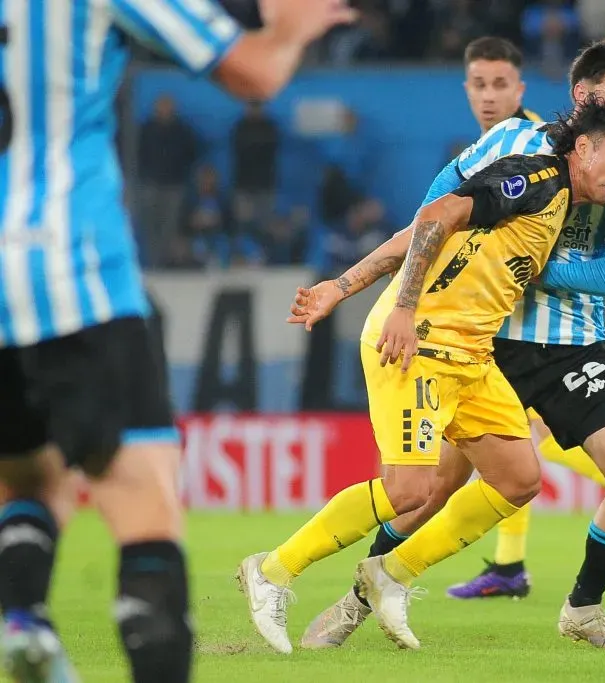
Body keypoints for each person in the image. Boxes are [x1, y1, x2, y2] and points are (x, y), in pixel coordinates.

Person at [295, 37, 605, 653]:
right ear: (583, 98)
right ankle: (359, 599)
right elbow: (433, 213)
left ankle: (584, 609)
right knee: (430, 491)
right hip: (486, 339)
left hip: (572, 343)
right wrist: (364, 287)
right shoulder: (513, 144)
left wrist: (528, 259)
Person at [0, 1, 355, 681]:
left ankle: (24, 618)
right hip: (71, 270)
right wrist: (292, 28)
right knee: (145, 496)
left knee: (26, 473)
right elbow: (252, 74)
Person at [237, 100, 605, 652]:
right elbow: (433, 216)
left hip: (474, 357)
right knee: (409, 490)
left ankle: (391, 573)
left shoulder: (559, 207)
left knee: (518, 479)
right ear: (583, 148)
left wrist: (339, 287)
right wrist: (399, 308)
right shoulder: (533, 179)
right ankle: (272, 570)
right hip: (417, 345)